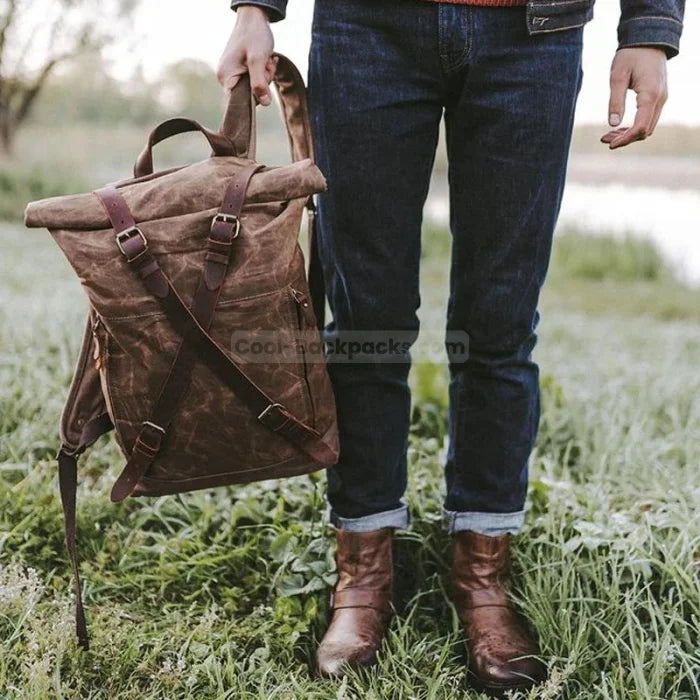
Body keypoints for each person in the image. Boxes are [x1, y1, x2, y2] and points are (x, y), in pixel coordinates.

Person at [217, 0, 684, 693]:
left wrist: (650, 29)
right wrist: (254, 8)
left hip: (534, 36)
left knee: (499, 323)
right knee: (366, 321)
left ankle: (483, 575)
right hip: (366, 27)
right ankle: (364, 573)